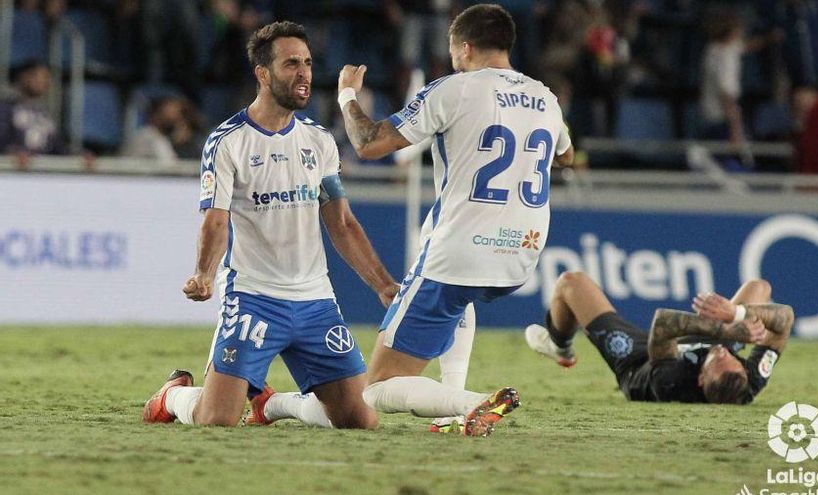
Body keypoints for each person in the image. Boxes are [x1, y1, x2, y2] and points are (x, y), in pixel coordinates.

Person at [142, 21, 399, 429]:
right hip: (253, 298)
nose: (304, 74)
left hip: (315, 299)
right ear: (263, 74)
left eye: (309, 64)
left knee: (358, 421)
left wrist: (383, 284)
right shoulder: (228, 141)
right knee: (217, 420)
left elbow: (342, 222)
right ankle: (172, 395)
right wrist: (204, 275)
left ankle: (272, 405)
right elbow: (215, 219)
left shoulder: (319, 141)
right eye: (291, 64)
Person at [336, 3, 574, 436]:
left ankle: (474, 403)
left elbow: (369, 144)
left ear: (464, 48)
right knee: (458, 299)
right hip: (520, 253)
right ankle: (455, 402)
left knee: (376, 388)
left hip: (461, 250)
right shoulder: (545, 96)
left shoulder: (454, 88)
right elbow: (566, 156)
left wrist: (347, 96)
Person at [525, 272, 793, 404]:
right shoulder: (748, 379)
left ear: (701, 378)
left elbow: (662, 327)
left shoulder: (672, 382)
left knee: (570, 282)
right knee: (759, 288)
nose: (725, 352)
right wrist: (736, 313)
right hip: (696, 341)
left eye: (717, 359)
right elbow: (785, 320)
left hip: (642, 358)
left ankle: (559, 347)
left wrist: (724, 331)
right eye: (733, 358)